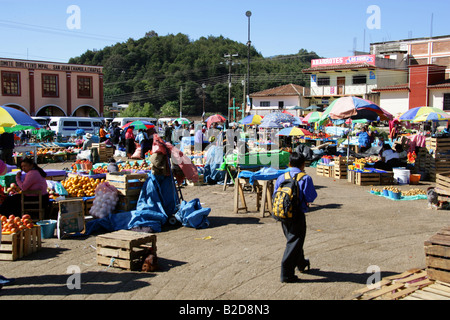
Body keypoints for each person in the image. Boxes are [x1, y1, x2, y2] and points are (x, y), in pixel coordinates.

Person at [273, 152, 318, 283]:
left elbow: (275, 194)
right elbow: (311, 197)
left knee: (294, 240)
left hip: (282, 214)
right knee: (294, 242)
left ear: (289, 164)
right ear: (303, 164)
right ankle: (286, 274)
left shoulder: (282, 177)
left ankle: (301, 264)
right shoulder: (305, 178)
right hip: (297, 214)